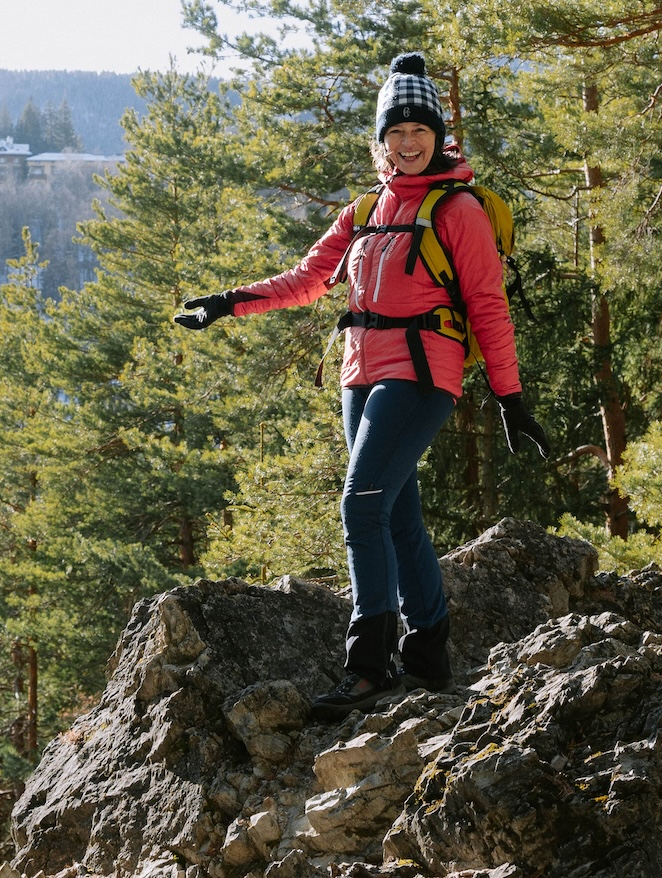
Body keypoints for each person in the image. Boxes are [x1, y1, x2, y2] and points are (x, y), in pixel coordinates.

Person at [175, 51, 551, 719]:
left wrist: (509, 396)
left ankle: (368, 668)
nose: (407, 146)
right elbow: (305, 281)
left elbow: (489, 305)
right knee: (396, 516)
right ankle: (430, 658)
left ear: (438, 137)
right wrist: (229, 300)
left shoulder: (457, 209)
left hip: (421, 374)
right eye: (395, 134)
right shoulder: (365, 210)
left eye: (419, 133)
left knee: (359, 507)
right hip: (360, 374)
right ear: (381, 140)